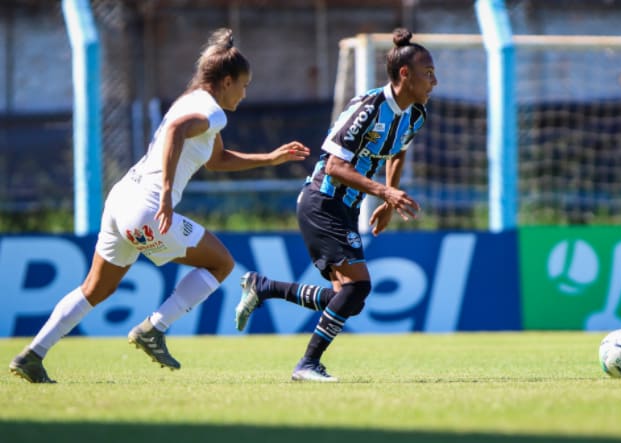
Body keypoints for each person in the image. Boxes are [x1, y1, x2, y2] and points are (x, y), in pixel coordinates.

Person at [9, 28, 310, 383]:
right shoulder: (213, 113)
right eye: (244, 85)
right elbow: (175, 132)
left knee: (96, 288)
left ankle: (33, 355)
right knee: (222, 264)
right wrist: (167, 192)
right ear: (227, 81)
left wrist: (269, 158)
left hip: (121, 199)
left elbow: (215, 160)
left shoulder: (191, 100)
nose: (245, 94)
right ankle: (154, 328)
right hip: (148, 206)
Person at [234, 28, 436, 382]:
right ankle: (307, 364)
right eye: (428, 73)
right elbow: (333, 166)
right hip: (322, 200)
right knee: (358, 288)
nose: (434, 80)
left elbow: (398, 150)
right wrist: (385, 193)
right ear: (405, 74)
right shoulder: (369, 106)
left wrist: (388, 196)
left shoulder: (415, 114)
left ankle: (265, 287)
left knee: (347, 299)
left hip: (345, 207)